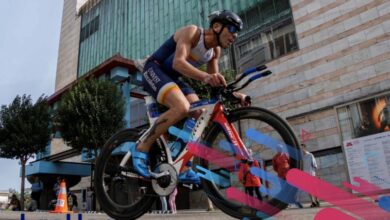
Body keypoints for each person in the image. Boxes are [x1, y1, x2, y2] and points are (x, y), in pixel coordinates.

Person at [131, 10, 250, 179]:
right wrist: (207, 77)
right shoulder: (193, 33)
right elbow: (178, 62)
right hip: (154, 69)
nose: (234, 36)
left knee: (200, 113)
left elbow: (215, 85)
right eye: (232, 29)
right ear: (216, 26)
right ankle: (142, 146)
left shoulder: (214, 52)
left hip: (172, 78)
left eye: (237, 33)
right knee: (182, 107)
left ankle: (182, 162)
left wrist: (235, 95)